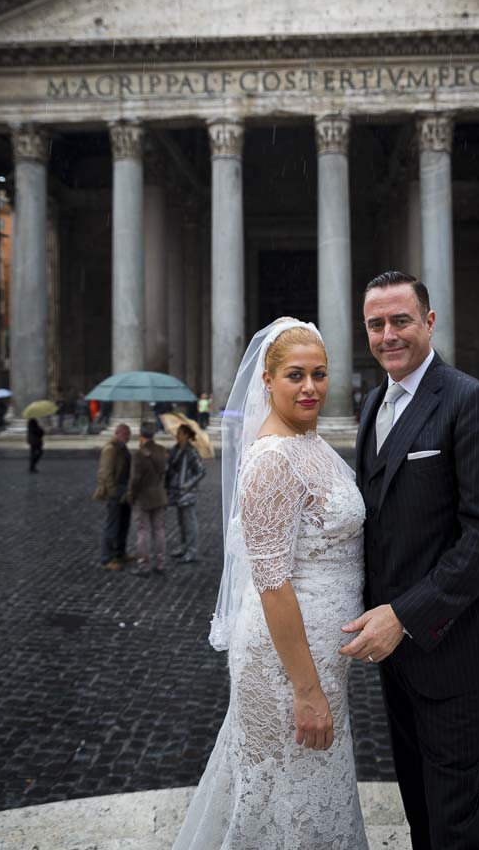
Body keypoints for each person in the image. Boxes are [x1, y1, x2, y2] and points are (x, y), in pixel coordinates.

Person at [341, 270, 479, 850]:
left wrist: (405, 615)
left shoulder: (475, 402)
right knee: (418, 800)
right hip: (397, 650)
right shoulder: (374, 402)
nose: (388, 334)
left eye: (400, 320)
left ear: (429, 321)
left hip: (452, 642)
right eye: (376, 324)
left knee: (454, 815)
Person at [173, 319, 368, 849]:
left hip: (323, 652)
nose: (310, 387)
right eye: (295, 375)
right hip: (285, 661)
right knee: (274, 793)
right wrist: (307, 690)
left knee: (305, 785)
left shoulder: (310, 442)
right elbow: (273, 582)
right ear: (268, 379)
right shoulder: (273, 459)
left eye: (320, 374)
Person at [127, 421, 168, 576]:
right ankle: (160, 563)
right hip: (159, 495)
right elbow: (164, 471)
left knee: (143, 532)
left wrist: (131, 495)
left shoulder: (138, 455)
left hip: (143, 498)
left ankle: (143, 565)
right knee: (159, 530)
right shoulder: (162, 450)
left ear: (141, 434)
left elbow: (134, 480)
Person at [93, 423, 133, 571]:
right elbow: (106, 473)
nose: (128, 437)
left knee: (124, 524)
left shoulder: (122, 448)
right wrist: (114, 492)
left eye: (128, 434)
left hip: (125, 492)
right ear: (118, 433)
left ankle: (120, 553)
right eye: (125, 434)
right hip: (116, 493)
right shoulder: (110, 450)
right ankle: (106, 559)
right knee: (112, 526)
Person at [166, 424, 206, 563]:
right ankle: (183, 547)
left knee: (189, 522)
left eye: (180, 433)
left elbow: (201, 471)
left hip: (187, 493)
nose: (177, 435)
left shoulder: (191, 452)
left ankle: (192, 551)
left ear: (187, 435)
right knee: (181, 522)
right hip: (176, 492)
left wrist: (188, 484)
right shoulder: (175, 449)